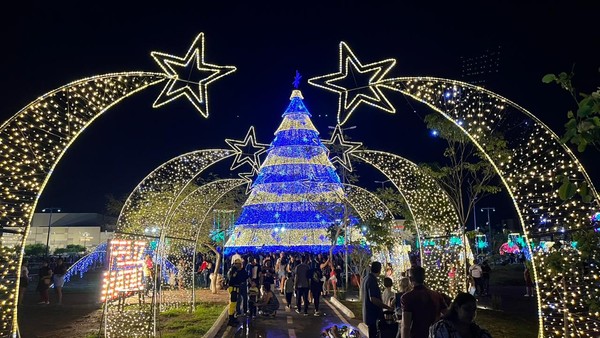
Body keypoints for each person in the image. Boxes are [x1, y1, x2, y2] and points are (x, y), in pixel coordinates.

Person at [400, 266, 448, 338]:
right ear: (424, 278)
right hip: (434, 334)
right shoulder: (436, 295)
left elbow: (406, 326)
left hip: (416, 335)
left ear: (410, 279)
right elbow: (448, 314)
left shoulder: (407, 297)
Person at [361, 261, 393, 338]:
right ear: (379, 269)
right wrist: (387, 307)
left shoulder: (366, 278)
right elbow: (373, 299)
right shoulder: (372, 280)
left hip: (368, 314)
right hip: (373, 315)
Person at [226, 259, 244, 326]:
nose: (240, 265)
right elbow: (232, 279)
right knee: (232, 304)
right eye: (239, 264)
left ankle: (232, 317)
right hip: (233, 288)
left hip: (235, 288)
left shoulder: (234, 270)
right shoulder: (234, 270)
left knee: (234, 303)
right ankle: (230, 320)